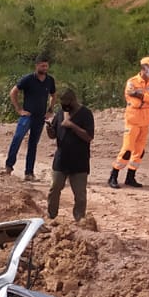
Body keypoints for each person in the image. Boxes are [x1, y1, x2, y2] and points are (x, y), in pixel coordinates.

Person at [108, 55, 149, 190]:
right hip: (133, 120)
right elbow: (134, 101)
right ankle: (113, 175)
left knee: (140, 151)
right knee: (127, 150)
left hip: (146, 121)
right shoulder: (132, 82)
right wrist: (144, 99)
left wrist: (140, 95)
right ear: (143, 67)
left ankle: (130, 177)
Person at [5, 55, 57, 180]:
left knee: (33, 144)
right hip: (27, 116)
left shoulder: (50, 80)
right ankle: (9, 165)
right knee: (17, 138)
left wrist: (50, 109)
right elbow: (13, 92)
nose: (45, 68)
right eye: (42, 65)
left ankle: (29, 172)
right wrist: (19, 109)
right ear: (37, 66)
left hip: (40, 117)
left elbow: (53, 95)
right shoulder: (28, 79)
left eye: (46, 66)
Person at [46, 87, 94, 222]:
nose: (65, 106)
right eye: (62, 103)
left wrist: (72, 125)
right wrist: (49, 129)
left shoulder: (86, 114)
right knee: (54, 189)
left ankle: (79, 219)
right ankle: (51, 216)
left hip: (79, 161)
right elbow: (54, 134)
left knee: (80, 196)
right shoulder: (61, 113)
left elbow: (89, 137)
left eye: (67, 103)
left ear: (73, 101)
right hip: (61, 160)